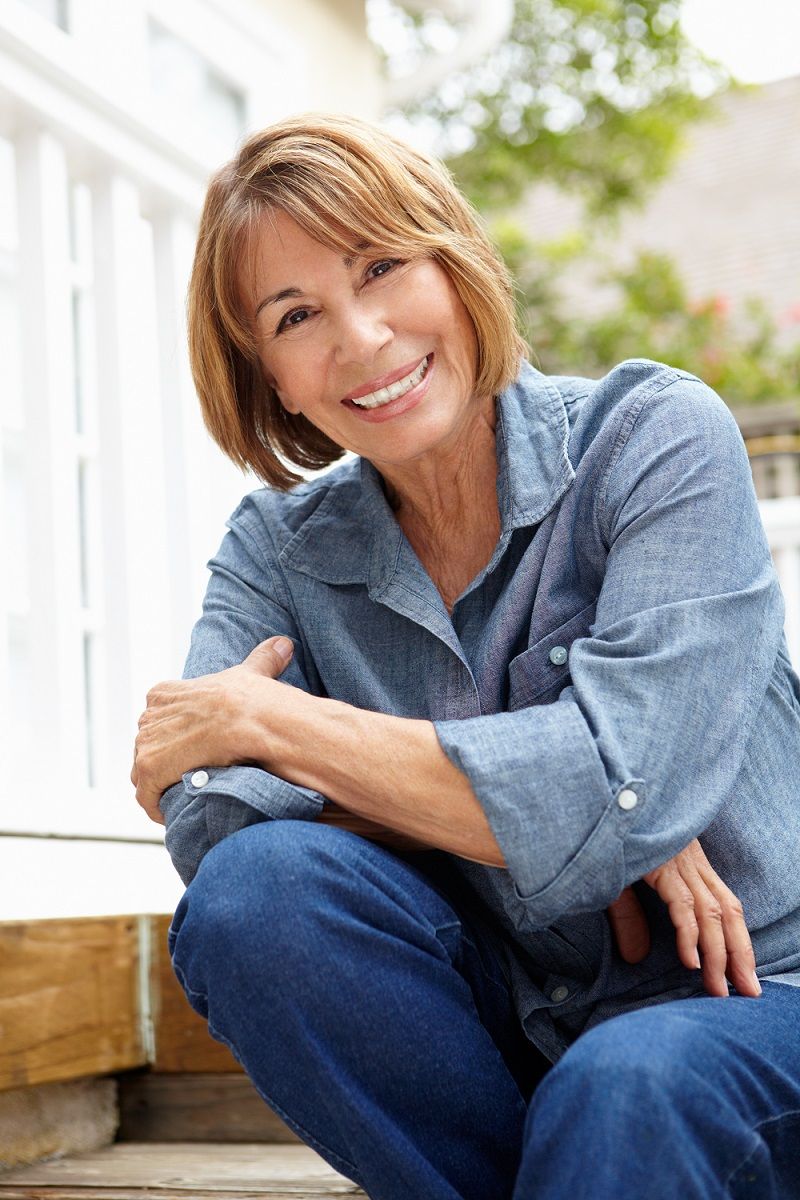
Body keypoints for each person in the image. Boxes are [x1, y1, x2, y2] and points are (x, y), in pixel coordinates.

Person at [131, 113, 800, 1199]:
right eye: (297, 315)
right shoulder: (277, 550)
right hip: (514, 1039)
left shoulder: (652, 439)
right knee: (259, 895)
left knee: (620, 1090)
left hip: (764, 1000)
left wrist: (281, 726)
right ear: (271, 380)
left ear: (454, 260)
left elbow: (625, 784)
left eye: (382, 266)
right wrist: (574, 810)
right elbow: (210, 814)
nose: (360, 338)